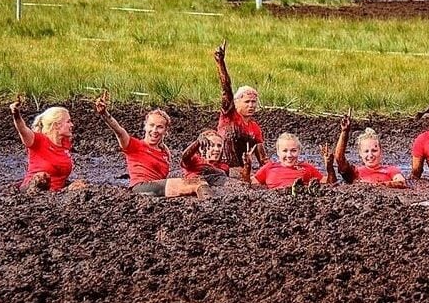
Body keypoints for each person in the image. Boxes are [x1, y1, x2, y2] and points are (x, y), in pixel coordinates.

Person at [95, 91, 212, 198]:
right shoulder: (134, 145)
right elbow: (119, 131)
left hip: (155, 191)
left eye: (159, 127)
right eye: (151, 125)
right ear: (145, 126)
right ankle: (211, 205)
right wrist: (105, 114)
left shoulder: (165, 152)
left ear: (166, 131)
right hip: (141, 188)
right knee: (196, 183)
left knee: (194, 185)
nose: (154, 130)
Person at [213, 41, 269, 169]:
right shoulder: (228, 115)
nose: (251, 105)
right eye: (247, 102)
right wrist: (220, 63)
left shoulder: (255, 128)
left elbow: (263, 159)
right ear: (237, 102)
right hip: (220, 166)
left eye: (253, 102)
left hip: (240, 170)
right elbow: (226, 88)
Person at [10, 95, 84, 192]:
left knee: (80, 186)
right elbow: (22, 129)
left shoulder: (65, 143)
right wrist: (16, 114)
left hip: (57, 194)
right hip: (32, 191)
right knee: (42, 178)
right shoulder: (37, 140)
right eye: (68, 122)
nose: (72, 125)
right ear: (56, 125)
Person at [334, 110, 406, 188]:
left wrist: (375, 186)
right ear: (360, 153)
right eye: (366, 151)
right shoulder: (356, 172)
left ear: (381, 151)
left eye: (374, 150)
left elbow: (401, 182)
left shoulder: (391, 170)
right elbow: (339, 159)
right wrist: (345, 132)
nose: (370, 155)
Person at [243, 132, 335, 192]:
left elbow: (330, 183)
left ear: (299, 151)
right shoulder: (269, 167)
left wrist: (329, 167)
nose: (289, 155)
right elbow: (248, 183)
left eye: (293, 151)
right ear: (278, 152)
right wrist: (247, 167)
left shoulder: (307, 168)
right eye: (285, 151)